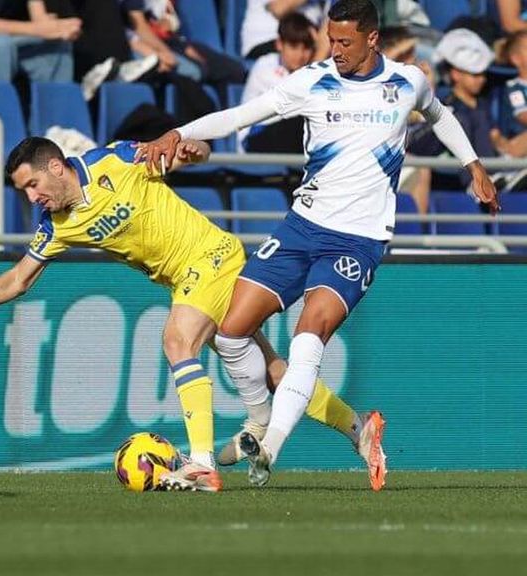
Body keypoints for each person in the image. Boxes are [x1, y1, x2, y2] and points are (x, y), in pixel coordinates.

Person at [136, 0, 499, 489]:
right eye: (332, 40)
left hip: (358, 239)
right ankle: (264, 420)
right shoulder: (312, 81)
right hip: (300, 228)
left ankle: (269, 449)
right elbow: (242, 116)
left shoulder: (407, 81)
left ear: (373, 39)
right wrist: (180, 130)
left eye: (345, 42)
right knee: (230, 332)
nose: (336, 50)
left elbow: (440, 114)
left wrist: (473, 163)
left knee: (307, 339)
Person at [0, 136, 384, 493]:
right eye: (24, 192)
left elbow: (194, 150)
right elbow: (18, 280)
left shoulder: (116, 161)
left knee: (176, 340)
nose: (32, 197)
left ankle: (202, 464)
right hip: (189, 277)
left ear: (56, 167)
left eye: (32, 185)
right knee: (272, 369)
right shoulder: (57, 225)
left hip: (211, 255)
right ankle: (358, 428)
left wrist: (194, 150)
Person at [408, 29, 499, 209]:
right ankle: (474, 184)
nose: (481, 80)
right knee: (460, 120)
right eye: (474, 74)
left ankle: (491, 177)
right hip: (428, 154)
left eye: (482, 75)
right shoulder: (445, 103)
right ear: (456, 74)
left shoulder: (482, 106)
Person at [238, 12, 317, 153]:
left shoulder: (308, 71)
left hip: (291, 137)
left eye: (306, 48)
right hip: (256, 137)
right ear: (279, 44)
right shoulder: (264, 66)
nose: (300, 55)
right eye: (293, 46)